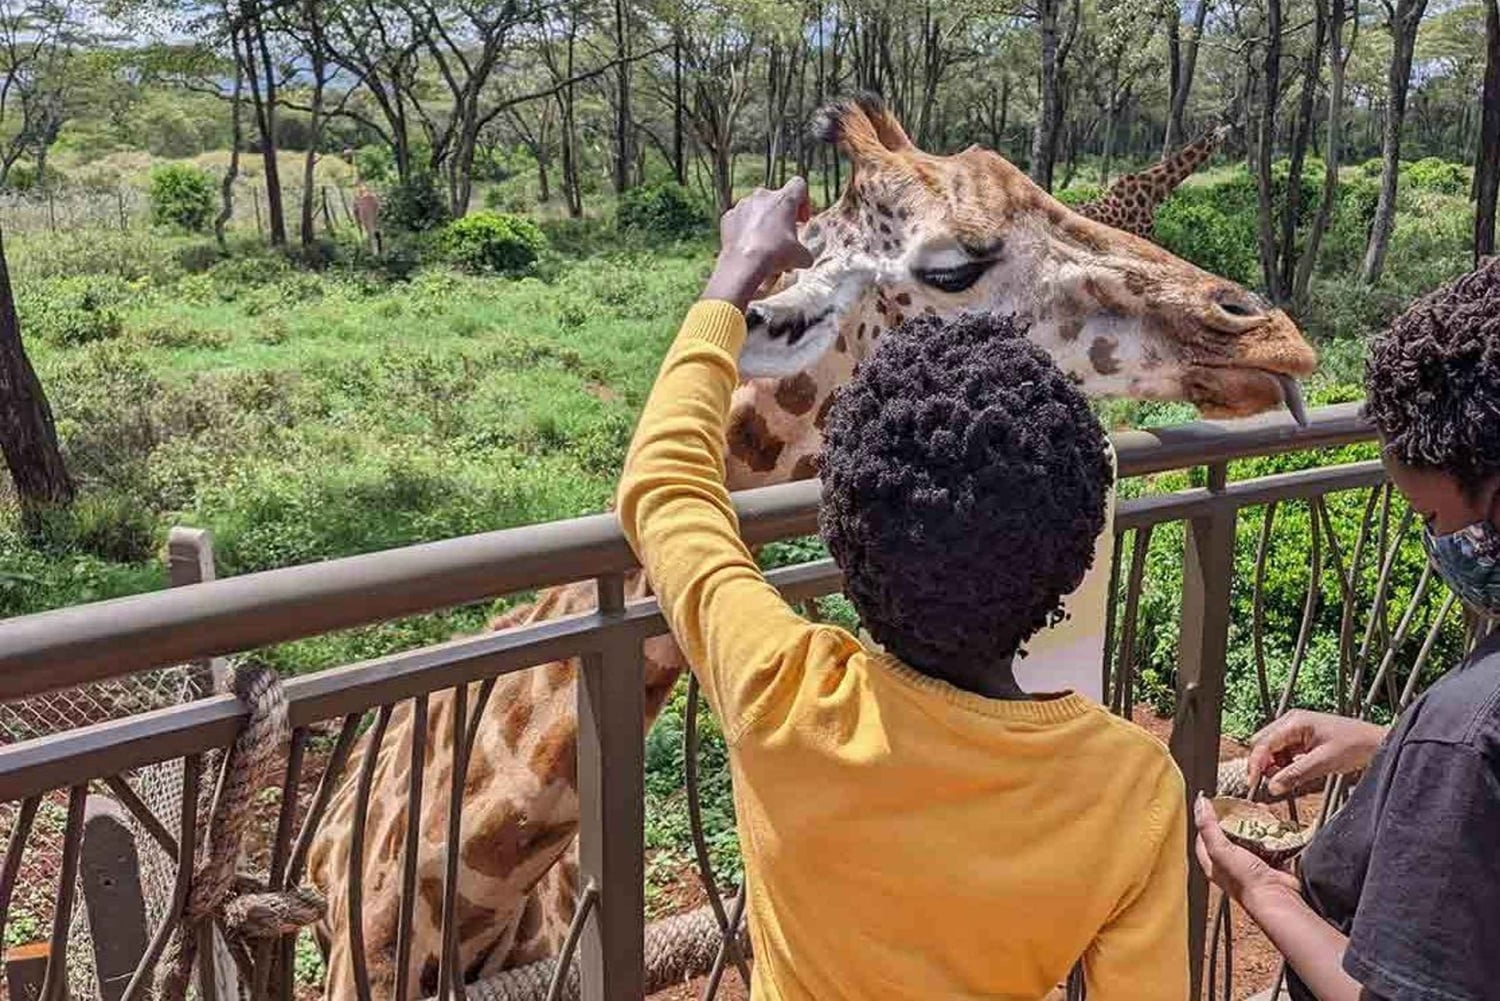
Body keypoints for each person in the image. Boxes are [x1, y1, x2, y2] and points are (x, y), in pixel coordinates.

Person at [617, 178, 1189, 1000]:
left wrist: (733, 275)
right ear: (1071, 551)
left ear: (846, 537)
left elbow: (665, 484)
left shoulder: (784, 691)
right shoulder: (1131, 787)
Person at [1193, 258, 1500, 1001]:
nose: (1433, 543)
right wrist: (1387, 750)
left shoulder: (1467, 728)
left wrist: (1264, 891)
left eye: (1429, 518)